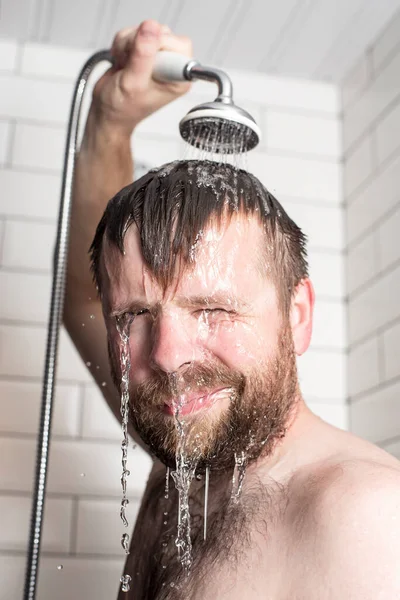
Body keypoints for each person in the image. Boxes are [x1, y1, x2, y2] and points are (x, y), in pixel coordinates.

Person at [64, 19, 400, 600]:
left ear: (297, 316)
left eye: (213, 308)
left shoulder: (366, 522)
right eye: (136, 316)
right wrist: (110, 121)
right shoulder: (188, 440)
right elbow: (84, 301)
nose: (167, 357)